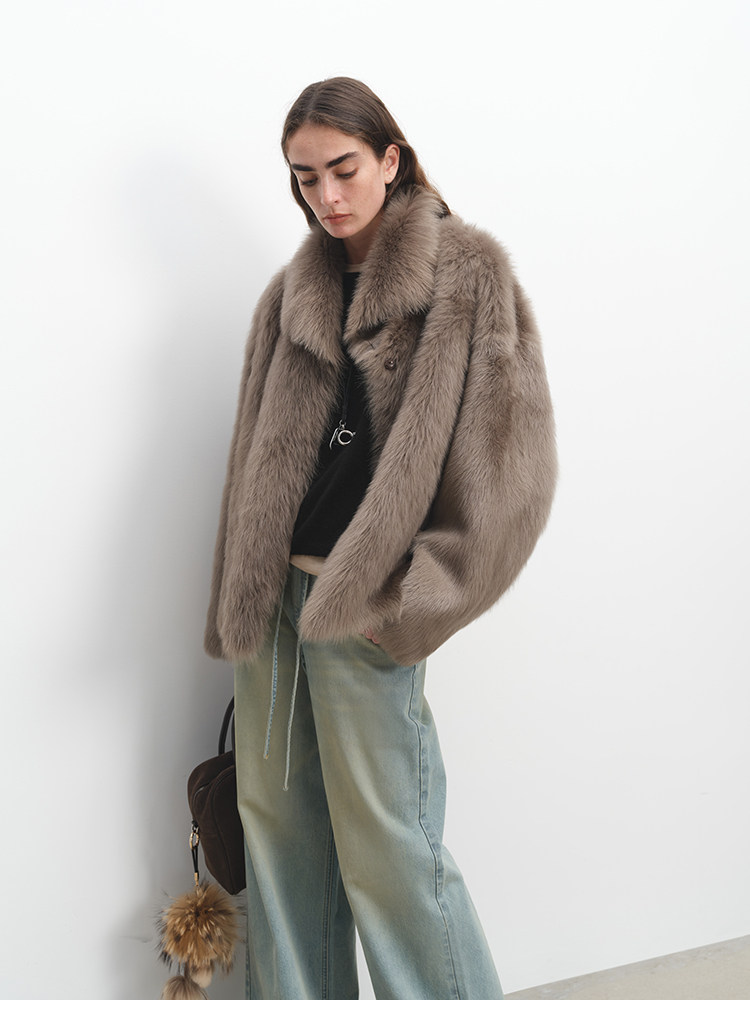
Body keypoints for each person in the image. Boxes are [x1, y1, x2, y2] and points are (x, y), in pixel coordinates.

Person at [204, 77, 557, 1000]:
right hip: (275, 605)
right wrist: (243, 594)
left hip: (364, 605)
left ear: (391, 159)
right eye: (305, 177)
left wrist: (412, 603)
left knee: (390, 849)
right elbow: (253, 459)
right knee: (277, 835)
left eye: (344, 168)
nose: (326, 195)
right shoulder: (292, 293)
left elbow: (512, 476)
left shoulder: (466, 276)